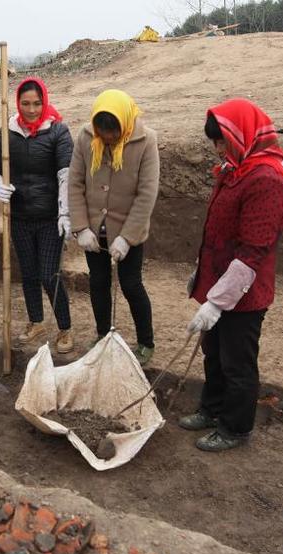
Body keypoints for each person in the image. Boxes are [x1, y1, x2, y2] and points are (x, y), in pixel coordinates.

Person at [181, 98, 283, 452]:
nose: (218, 149)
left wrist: (216, 303)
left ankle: (235, 427)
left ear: (240, 134)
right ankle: (212, 409)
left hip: (245, 293)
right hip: (219, 280)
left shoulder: (267, 180)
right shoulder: (236, 169)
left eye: (222, 140)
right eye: (214, 142)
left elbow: (252, 251)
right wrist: (201, 272)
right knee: (213, 353)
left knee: (237, 362)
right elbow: (218, 231)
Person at [68, 89, 159, 366]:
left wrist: (127, 238)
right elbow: (75, 183)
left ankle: (145, 342)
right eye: (102, 134)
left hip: (127, 231)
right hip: (95, 230)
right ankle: (102, 335)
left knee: (131, 285)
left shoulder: (146, 141)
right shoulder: (86, 138)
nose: (107, 139)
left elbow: (146, 194)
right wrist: (81, 227)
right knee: (98, 283)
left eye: (113, 134)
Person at [0, 77, 75, 353]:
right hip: (20, 217)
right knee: (29, 273)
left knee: (49, 275)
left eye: (37, 103)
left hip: (50, 218)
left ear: (44, 101)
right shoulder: (9, 131)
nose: (32, 109)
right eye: (26, 104)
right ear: (17, 103)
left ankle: (65, 328)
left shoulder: (58, 132)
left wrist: (65, 212)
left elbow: (66, 176)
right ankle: (36, 321)